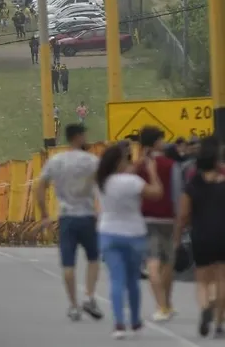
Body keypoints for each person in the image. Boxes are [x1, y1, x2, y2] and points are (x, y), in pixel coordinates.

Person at [35, 123, 104, 322]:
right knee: (93, 258)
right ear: (79, 137)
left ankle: (73, 305)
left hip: (66, 217)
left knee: (68, 263)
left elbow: (40, 187)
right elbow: (102, 187)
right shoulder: (91, 161)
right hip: (88, 216)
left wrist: (45, 214)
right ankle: (90, 296)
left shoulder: (56, 161)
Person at [97, 142, 164, 339]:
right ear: (120, 163)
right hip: (134, 234)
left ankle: (119, 324)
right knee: (133, 281)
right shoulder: (132, 182)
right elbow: (156, 193)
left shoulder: (101, 181)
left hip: (108, 233)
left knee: (116, 280)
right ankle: (135, 321)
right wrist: (152, 172)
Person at [173, 137, 225, 337]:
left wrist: (177, 240)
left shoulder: (192, 187)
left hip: (201, 236)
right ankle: (219, 324)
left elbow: (183, 217)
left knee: (203, 280)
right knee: (222, 279)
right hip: (223, 235)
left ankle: (205, 307)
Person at [135, 126, 183, 322]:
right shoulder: (171, 165)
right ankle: (166, 304)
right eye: (161, 140)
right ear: (156, 142)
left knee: (152, 262)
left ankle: (162, 305)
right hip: (168, 219)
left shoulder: (137, 166)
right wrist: (180, 222)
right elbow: (177, 195)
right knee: (167, 263)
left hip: (145, 219)